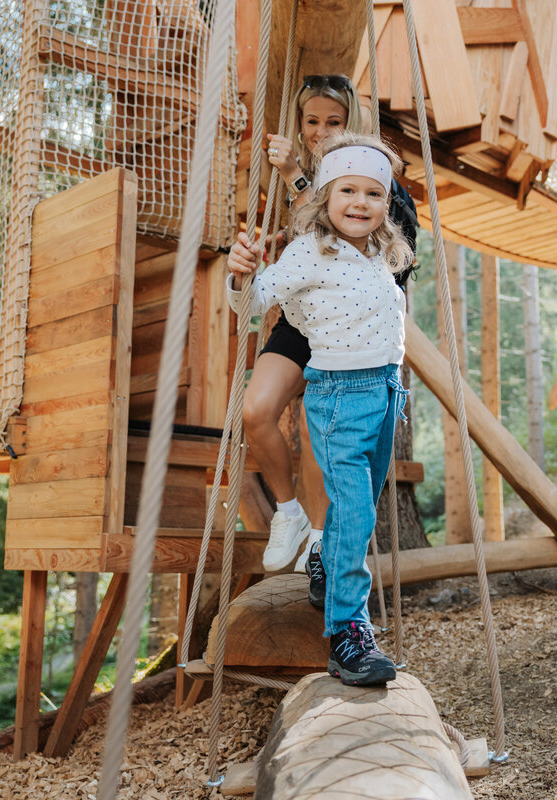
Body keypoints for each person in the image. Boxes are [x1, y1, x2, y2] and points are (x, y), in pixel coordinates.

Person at [227, 132, 411, 686]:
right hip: (339, 397)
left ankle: (325, 561)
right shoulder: (310, 250)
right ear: (326, 196)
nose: (360, 203)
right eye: (348, 191)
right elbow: (255, 301)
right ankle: (348, 634)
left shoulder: (381, 251)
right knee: (355, 511)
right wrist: (240, 272)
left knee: (361, 505)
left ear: (387, 203)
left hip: (385, 393)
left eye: (374, 194)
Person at [230, 74, 419, 578]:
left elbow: (355, 234)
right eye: (312, 121)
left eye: (332, 122)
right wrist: (255, 261)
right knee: (257, 409)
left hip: (350, 325)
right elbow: (305, 241)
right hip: (303, 318)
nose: (319, 131)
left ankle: (319, 540)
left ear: (350, 123)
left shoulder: (378, 183)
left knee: (321, 436)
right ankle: (288, 514)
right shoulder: (303, 171)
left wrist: (294, 173)